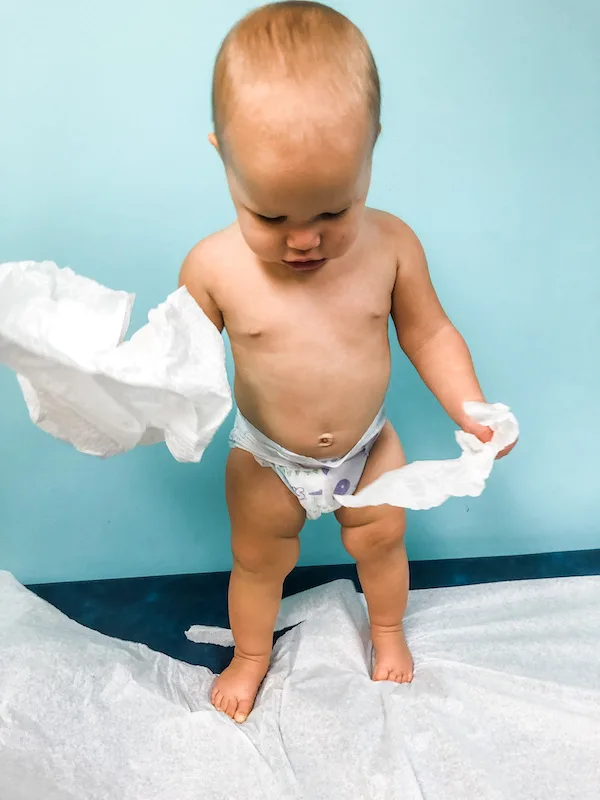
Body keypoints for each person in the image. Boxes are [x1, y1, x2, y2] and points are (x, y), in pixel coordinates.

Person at [179, 1, 515, 724]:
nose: (304, 241)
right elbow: (179, 363)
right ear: (222, 158)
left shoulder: (392, 245)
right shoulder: (211, 267)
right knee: (258, 561)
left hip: (371, 447)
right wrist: (125, 393)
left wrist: (473, 408)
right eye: (270, 216)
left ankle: (387, 630)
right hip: (266, 455)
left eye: (333, 211)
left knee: (383, 541)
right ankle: (251, 654)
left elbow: (428, 335)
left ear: (371, 153)